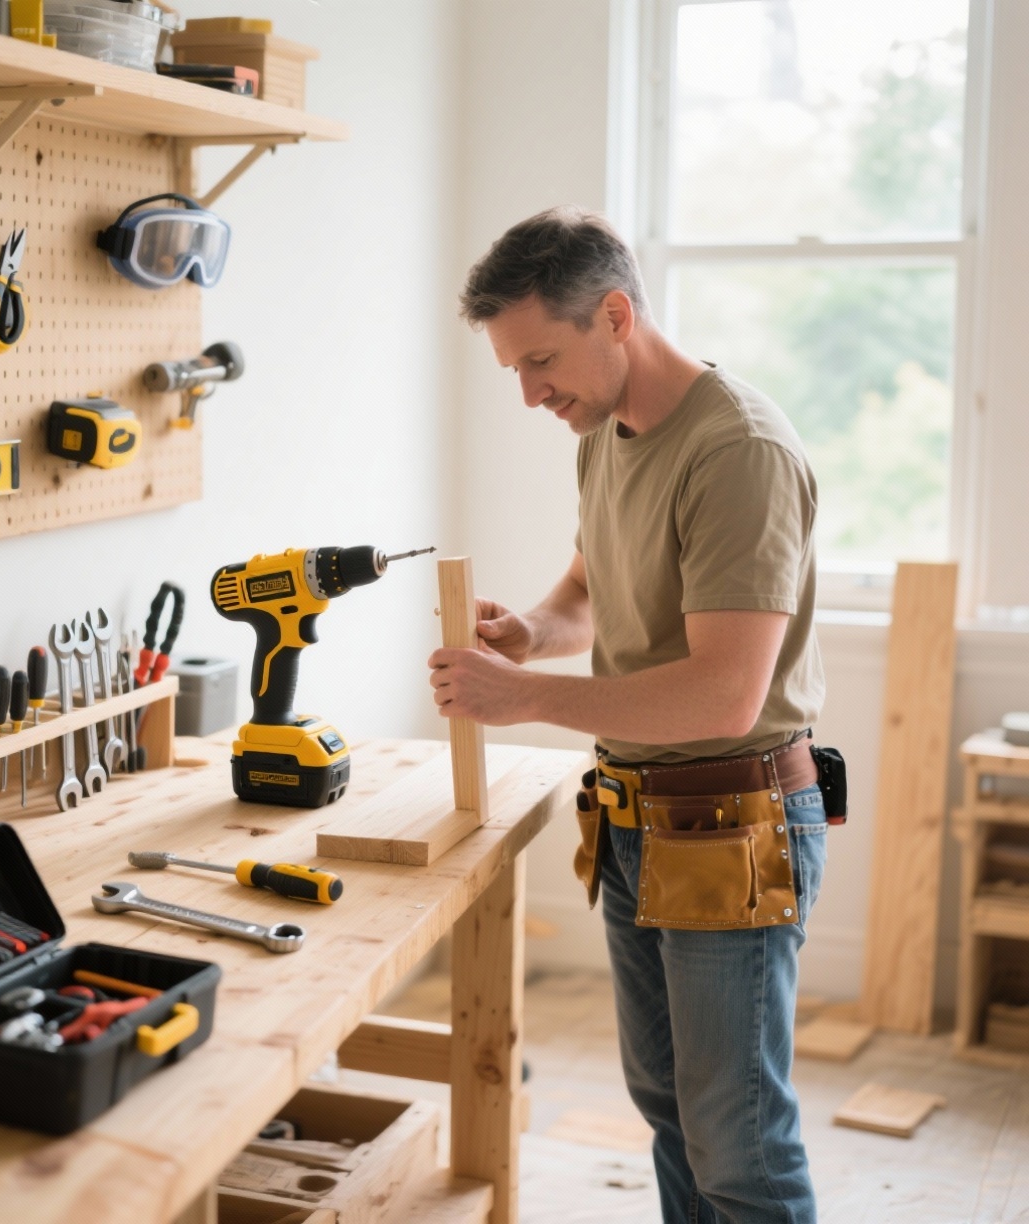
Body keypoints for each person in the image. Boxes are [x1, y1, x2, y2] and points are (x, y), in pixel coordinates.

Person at [428, 205, 830, 1224]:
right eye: (514, 370)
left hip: (733, 824)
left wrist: (521, 698)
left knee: (737, 1137)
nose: (529, 395)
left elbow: (723, 691)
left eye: (541, 361)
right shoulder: (606, 431)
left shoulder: (736, 451)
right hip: (637, 816)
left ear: (616, 315)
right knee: (670, 1109)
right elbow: (590, 592)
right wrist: (530, 631)